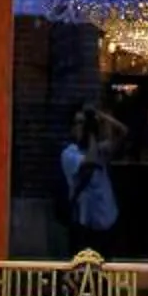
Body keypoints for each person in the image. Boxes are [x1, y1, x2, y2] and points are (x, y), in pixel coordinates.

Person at [60, 105, 119, 258]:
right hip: (84, 222)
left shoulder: (98, 149)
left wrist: (103, 117)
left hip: (106, 218)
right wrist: (92, 134)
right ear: (71, 128)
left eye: (83, 123)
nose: (82, 128)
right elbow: (89, 162)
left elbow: (123, 132)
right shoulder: (69, 153)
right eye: (78, 123)